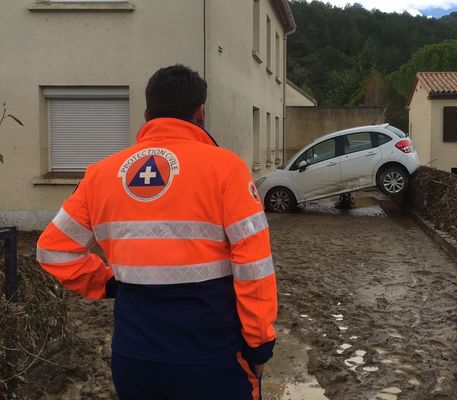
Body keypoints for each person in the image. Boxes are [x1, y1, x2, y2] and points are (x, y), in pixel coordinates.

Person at [36, 65, 277, 400]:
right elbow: (254, 267)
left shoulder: (101, 175)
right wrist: (259, 346)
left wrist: (106, 282)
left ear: (147, 114)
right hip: (211, 357)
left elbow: (53, 250)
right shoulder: (226, 169)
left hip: (133, 359)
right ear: (200, 112)